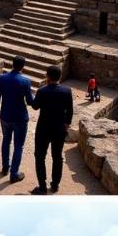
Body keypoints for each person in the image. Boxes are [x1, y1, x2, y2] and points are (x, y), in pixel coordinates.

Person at [31, 65, 74, 196]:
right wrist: (67, 123)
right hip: (59, 129)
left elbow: (35, 107)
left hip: (43, 128)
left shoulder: (42, 91)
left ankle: (42, 187)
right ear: (60, 76)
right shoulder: (67, 91)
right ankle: (55, 185)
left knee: (40, 156)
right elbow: (70, 110)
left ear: (47, 76)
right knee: (57, 157)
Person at [0, 56, 34, 184]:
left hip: (5, 116)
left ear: (12, 64)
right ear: (23, 66)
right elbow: (29, 102)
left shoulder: (2, 78)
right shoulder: (25, 81)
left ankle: (5, 167)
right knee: (18, 146)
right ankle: (14, 173)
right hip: (20, 118)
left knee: (6, 140)